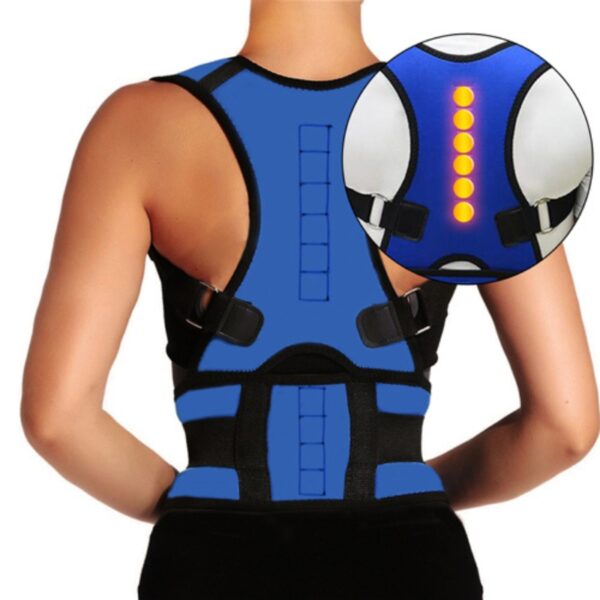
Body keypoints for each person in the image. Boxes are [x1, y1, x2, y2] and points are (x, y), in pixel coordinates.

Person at [20, 1, 598, 598]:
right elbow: (566, 424)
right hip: (410, 561)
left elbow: (58, 419)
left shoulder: (138, 124)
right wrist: (409, 490)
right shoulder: (471, 134)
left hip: (213, 559)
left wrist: (197, 504)